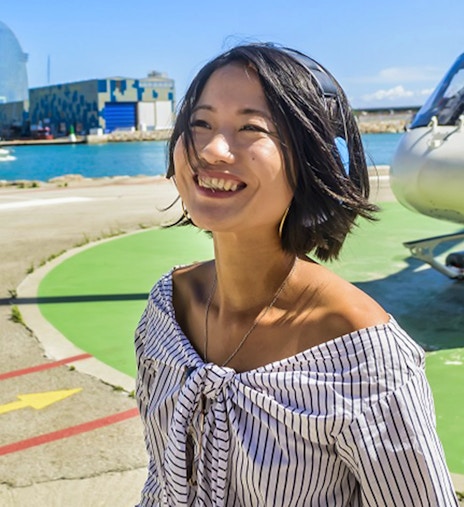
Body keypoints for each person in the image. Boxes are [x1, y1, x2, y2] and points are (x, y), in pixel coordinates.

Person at [135, 43, 458, 506]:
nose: (211, 150)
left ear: (316, 159)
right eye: (199, 123)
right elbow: (160, 483)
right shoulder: (167, 310)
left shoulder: (365, 358)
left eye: (251, 128)